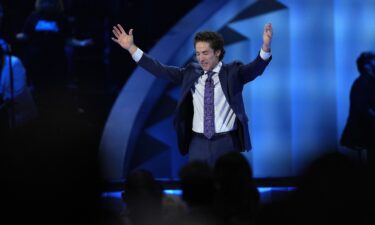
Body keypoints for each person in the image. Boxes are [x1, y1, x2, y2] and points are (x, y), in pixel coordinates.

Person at [112, 23, 273, 166]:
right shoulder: (190, 73)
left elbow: (255, 69)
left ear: (217, 52)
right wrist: (132, 48)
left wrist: (265, 48)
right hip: (198, 144)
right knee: (198, 191)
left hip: (227, 143)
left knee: (226, 192)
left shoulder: (233, 72)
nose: (201, 58)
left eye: (205, 53)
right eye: (197, 54)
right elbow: (159, 69)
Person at [341, 52, 375, 172]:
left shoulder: (367, 82)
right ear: (366, 66)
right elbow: (364, 108)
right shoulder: (363, 83)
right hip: (366, 129)